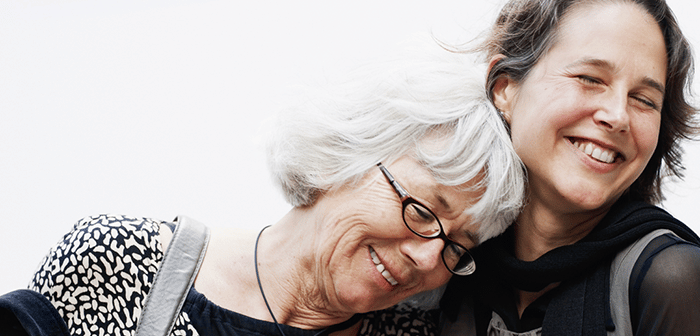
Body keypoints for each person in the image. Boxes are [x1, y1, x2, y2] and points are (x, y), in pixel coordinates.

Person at [8, 47, 526, 335]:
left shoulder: (412, 334)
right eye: (421, 210)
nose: (428, 257)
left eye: (458, 247)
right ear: (346, 155)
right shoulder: (122, 263)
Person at [439, 0, 700, 335]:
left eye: (644, 100)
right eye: (590, 78)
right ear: (505, 88)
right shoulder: (441, 257)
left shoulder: (671, 279)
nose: (618, 115)